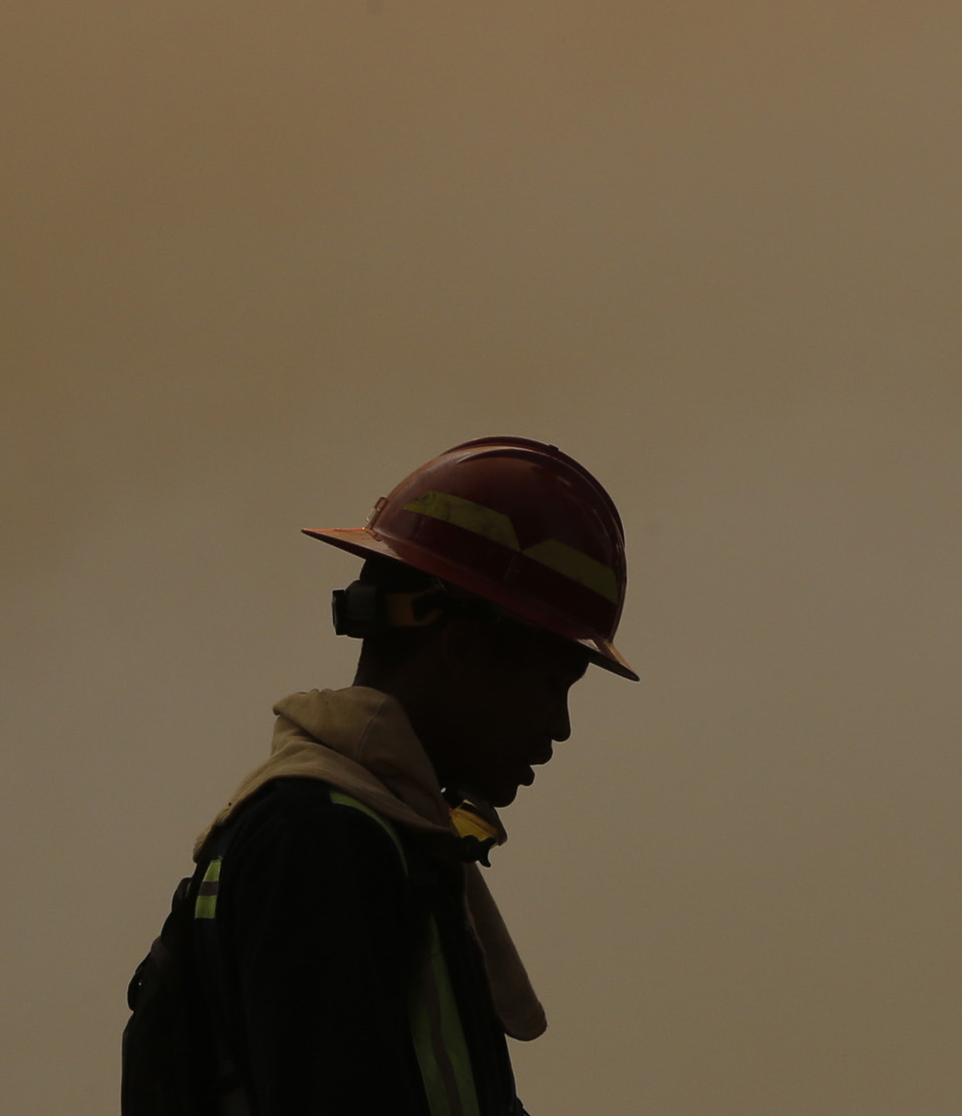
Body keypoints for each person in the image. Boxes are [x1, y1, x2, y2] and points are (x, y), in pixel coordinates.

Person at [141, 437, 637, 1116]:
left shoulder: (376, 838)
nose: (560, 728)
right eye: (553, 684)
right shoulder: (321, 843)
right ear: (462, 650)